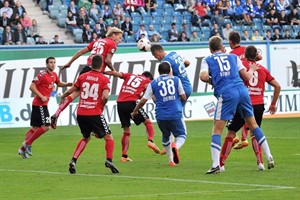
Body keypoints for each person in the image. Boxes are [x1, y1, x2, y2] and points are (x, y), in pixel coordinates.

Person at [199, 36, 275, 174]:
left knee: (217, 130)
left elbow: (203, 77)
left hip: (227, 93)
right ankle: (269, 155)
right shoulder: (234, 57)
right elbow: (246, 77)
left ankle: (216, 164)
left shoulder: (207, 59)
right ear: (221, 46)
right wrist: (251, 69)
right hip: (243, 91)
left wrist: (213, 80)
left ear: (210, 49)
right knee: (253, 125)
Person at [219, 45, 281, 171]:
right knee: (255, 131)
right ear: (256, 56)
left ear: (245, 54)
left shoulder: (240, 65)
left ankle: (221, 163)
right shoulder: (262, 69)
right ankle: (260, 163)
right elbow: (277, 86)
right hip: (259, 104)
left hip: (243, 102)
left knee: (231, 132)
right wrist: (273, 103)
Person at [50, 27, 123, 128]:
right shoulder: (112, 44)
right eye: (119, 38)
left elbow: (80, 52)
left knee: (76, 93)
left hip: (86, 69)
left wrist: (69, 63)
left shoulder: (97, 41)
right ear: (113, 35)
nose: (120, 40)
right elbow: (107, 60)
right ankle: (97, 124)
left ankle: (57, 113)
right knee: (101, 96)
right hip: (96, 73)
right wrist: (115, 72)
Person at [60, 55, 119, 174]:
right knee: (109, 137)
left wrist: (63, 96)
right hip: (94, 112)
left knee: (86, 137)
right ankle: (109, 160)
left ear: (91, 64)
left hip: (81, 112)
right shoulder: (104, 79)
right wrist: (102, 104)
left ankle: (73, 160)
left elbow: (71, 90)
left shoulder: (82, 76)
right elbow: (106, 96)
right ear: (101, 65)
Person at [131, 62, 187, 166]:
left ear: (158, 71)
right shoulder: (176, 79)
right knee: (182, 135)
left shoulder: (153, 83)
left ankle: (171, 160)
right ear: (169, 70)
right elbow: (183, 96)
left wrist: (135, 111)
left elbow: (143, 100)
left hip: (161, 115)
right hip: (175, 112)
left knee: (166, 136)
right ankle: (176, 146)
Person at [17, 57, 72, 159]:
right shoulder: (42, 74)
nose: (53, 64)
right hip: (39, 104)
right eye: (50, 62)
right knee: (47, 126)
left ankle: (22, 149)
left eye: (54, 62)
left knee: (35, 128)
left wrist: (67, 84)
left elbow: (59, 83)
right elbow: (32, 86)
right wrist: (41, 96)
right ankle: (27, 144)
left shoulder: (54, 75)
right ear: (46, 64)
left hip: (42, 104)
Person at [104, 70, 160, 162]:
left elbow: (115, 73)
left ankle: (124, 156)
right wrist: (157, 103)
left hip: (120, 104)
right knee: (147, 121)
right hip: (131, 103)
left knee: (126, 131)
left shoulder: (129, 75)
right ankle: (151, 141)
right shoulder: (148, 81)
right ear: (149, 78)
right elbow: (151, 95)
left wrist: (103, 72)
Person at [228, 30, 262, 147]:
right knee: (248, 115)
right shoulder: (246, 49)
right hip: (253, 87)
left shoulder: (232, 54)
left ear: (230, 42)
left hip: (240, 85)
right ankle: (244, 138)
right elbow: (260, 57)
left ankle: (236, 136)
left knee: (235, 111)